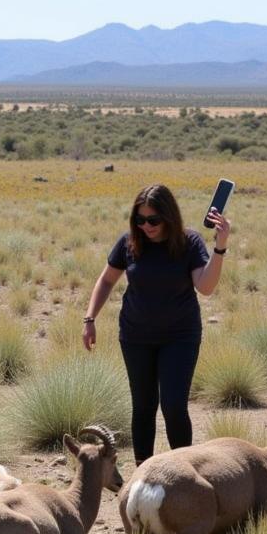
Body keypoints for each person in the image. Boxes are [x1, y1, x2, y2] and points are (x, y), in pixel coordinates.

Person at [82, 183, 230, 464]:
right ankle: (143, 471)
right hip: (136, 336)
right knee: (143, 407)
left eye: (153, 220)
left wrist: (219, 248)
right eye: (140, 219)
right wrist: (90, 319)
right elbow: (106, 280)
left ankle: (184, 472)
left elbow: (206, 286)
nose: (146, 226)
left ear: (169, 217)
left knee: (174, 406)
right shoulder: (129, 242)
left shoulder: (190, 243)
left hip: (180, 337)